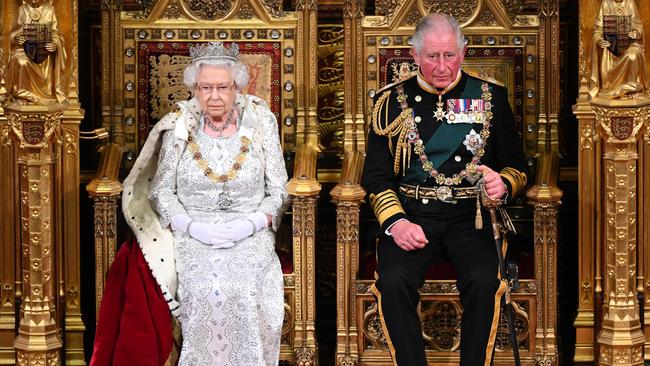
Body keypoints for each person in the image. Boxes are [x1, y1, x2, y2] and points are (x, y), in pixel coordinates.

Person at [105, 41, 289, 365]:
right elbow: (161, 191)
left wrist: (252, 223)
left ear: (237, 87)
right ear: (194, 87)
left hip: (250, 232)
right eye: (206, 87)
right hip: (192, 232)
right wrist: (193, 227)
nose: (214, 95)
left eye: (222, 87)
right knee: (206, 287)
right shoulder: (180, 124)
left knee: (239, 288)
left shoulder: (261, 121)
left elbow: (279, 191)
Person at [362, 13, 528, 365]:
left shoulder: (490, 97)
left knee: (484, 280)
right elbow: (376, 177)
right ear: (415, 55)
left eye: (449, 55)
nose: (441, 66)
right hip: (413, 216)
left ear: (463, 52)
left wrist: (504, 183)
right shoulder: (390, 102)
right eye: (432, 56)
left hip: (473, 218)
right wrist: (397, 223)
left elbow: (518, 167)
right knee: (392, 282)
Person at [4, 0, 67, 104]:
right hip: (24, 50)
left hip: (44, 52)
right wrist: (16, 39)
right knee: (21, 61)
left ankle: (46, 94)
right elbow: (13, 34)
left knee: (45, 59)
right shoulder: (22, 10)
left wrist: (55, 44)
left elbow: (56, 34)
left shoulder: (50, 10)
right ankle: (22, 94)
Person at [589, 0, 648, 98]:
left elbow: (639, 28)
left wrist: (636, 33)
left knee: (633, 55)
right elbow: (598, 30)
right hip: (610, 47)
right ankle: (608, 89)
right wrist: (599, 40)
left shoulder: (630, 3)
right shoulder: (605, 4)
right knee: (605, 55)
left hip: (628, 45)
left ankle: (631, 89)